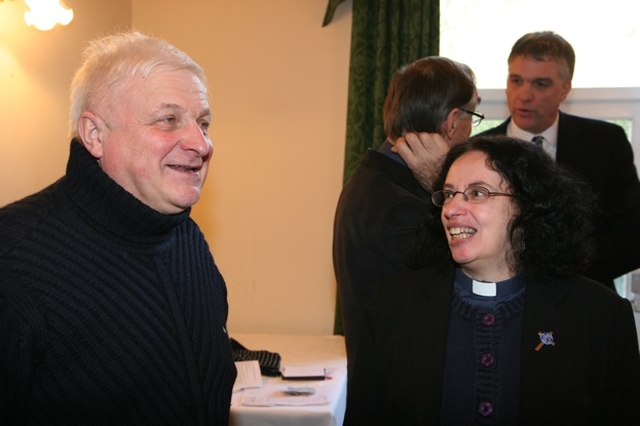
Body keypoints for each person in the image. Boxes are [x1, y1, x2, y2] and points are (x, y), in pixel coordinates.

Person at [0, 31, 236, 424]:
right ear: (95, 135)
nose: (201, 143)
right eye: (168, 120)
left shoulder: (188, 239)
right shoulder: (12, 260)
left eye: (203, 122)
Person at [344, 135, 640, 425]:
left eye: (478, 193)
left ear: (527, 207)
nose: (451, 210)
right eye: (448, 194)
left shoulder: (601, 318)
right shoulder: (393, 306)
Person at [332, 56, 480, 368]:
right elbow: (472, 288)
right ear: (453, 121)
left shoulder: (374, 175)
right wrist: (443, 184)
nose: (471, 130)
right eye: (473, 114)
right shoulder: (404, 209)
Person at [480, 31, 640, 290]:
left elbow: (632, 235)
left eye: (540, 84)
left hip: (585, 298)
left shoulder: (606, 142)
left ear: (564, 89)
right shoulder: (479, 150)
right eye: (516, 80)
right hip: (496, 300)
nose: (524, 95)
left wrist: (561, 270)